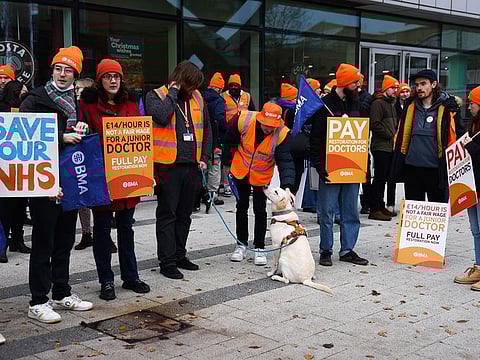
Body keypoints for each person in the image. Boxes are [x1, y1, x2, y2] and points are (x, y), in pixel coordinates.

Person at [20, 46, 93, 323]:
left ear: (76, 73)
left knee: (65, 239)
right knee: (43, 240)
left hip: (70, 179)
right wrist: (60, 138)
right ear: (51, 70)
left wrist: (82, 130)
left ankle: (62, 292)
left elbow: (82, 130)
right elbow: (23, 142)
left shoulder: (77, 101)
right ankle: (38, 300)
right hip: (43, 181)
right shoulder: (35, 99)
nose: (63, 74)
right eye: (58, 68)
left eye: (69, 69)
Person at [80, 59, 150, 300]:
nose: (112, 80)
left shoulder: (132, 102)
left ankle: (131, 276)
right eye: (108, 76)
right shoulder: (88, 106)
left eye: (116, 76)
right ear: (100, 80)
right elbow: (84, 138)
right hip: (102, 177)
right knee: (101, 231)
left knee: (126, 229)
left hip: (127, 176)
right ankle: (106, 280)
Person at [145, 60, 212, 280]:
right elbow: (161, 116)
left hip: (192, 165)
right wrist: (173, 91)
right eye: (190, 85)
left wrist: (204, 157)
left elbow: (208, 129)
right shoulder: (156, 95)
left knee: (185, 215)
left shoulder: (198, 98)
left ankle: (180, 254)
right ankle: (167, 261)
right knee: (167, 215)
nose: (194, 90)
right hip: (167, 166)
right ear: (181, 80)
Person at [310, 63, 369, 267]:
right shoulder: (324, 106)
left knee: (351, 210)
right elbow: (316, 140)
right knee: (327, 211)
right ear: (344, 83)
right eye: (354, 83)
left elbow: (362, 137)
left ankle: (347, 249)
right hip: (330, 168)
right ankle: (326, 250)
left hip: (353, 167)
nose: (358, 87)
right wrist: (320, 166)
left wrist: (364, 166)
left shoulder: (358, 104)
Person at [225, 103, 295, 265]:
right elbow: (229, 141)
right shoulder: (243, 120)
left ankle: (260, 247)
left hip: (261, 175)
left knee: (260, 209)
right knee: (241, 206)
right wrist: (227, 164)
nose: (269, 128)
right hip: (240, 170)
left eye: (272, 126)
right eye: (266, 125)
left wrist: (288, 185)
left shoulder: (283, 133)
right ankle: (241, 245)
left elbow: (286, 161)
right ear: (260, 119)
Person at [391, 69, 464, 202]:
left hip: (436, 170)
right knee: (414, 218)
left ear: (434, 84)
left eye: (423, 84)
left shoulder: (448, 108)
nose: (419, 88)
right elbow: (401, 134)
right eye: (417, 85)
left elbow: (458, 135)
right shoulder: (410, 106)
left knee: (436, 216)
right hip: (412, 169)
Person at [0, 80, 30, 263]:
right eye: (23, 91)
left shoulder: (28, 109)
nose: (25, 94)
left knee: (20, 206)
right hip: (6, 167)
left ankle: (17, 240)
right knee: (5, 209)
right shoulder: (2, 108)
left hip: (25, 166)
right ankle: (2, 244)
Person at [455, 86, 480, 290]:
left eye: (473, 102)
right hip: (472, 186)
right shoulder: (473, 125)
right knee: (475, 229)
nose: (470, 105)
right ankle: (478, 265)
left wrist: (469, 146)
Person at [368, 75, 399, 221]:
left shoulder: (391, 104)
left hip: (389, 146)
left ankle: (380, 206)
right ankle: (374, 208)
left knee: (385, 177)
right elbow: (375, 124)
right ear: (386, 88)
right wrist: (390, 135)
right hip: (381, 146)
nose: (395, 91)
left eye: (396, 88)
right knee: (379, 178)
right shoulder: (378, 104)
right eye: (393, 88)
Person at [200, 72, 226, 212]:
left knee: (203, 165)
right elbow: (220, 120)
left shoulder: (201, 97)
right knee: (215, 166)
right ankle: (212, 195)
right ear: (220, 89)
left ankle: (199, 193)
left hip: (202, 138)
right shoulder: (219, 101)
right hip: (215, 139)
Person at [358, 74, 373, 214]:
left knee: (364, 174)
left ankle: (366, 203)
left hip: (361, 141)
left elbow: (363, 113)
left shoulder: (366, 98)